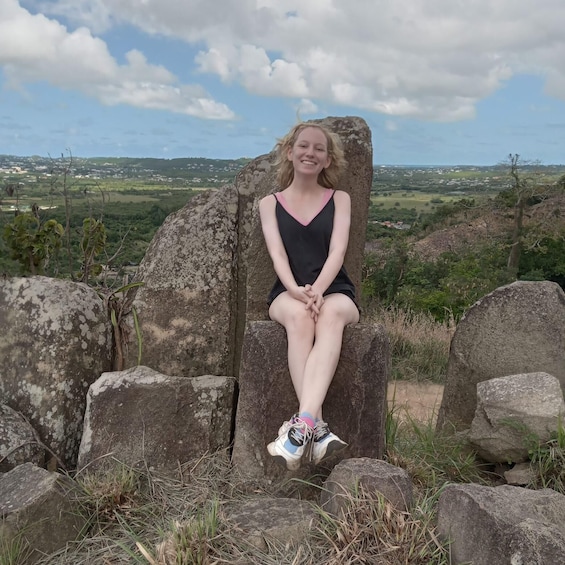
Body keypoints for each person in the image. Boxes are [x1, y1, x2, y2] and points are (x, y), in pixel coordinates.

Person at [259, 122, 360, 471]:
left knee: (330, 315)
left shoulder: (340, 200)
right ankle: (316, 429)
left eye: (319, 149)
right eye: (304, 146)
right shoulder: (269, 204)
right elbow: (277, 256)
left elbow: (338, 251)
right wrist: (296, 291)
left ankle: (300, 427)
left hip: (335, 289)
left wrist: (318, 290)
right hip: (287, 291)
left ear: (328, 159)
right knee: (301, 317)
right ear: (290, 151)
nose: (310, 153)